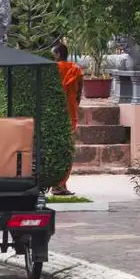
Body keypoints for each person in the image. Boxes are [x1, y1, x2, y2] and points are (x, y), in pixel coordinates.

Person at [51, 42, 83, 197]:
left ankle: (57, 184)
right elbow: (79, 94)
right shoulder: (76, 69)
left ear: (57, 54)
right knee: (67, 149)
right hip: (70, 114)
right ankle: (60, 184)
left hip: (54, 114)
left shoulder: (51, 70)